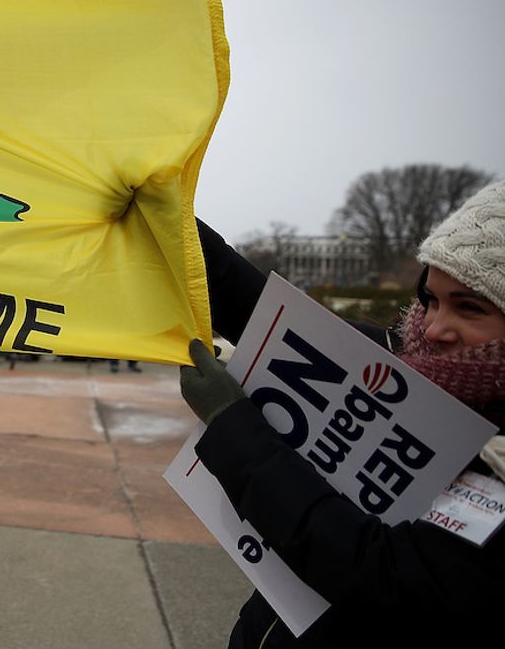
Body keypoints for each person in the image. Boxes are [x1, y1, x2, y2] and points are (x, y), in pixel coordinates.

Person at [181, 181, 505, 647]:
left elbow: (383, 577)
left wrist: (233, 427)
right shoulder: (414, 365)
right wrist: (170, 221)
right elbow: (255, 305)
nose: (433, 329)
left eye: (469, 307)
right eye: (431, 298)